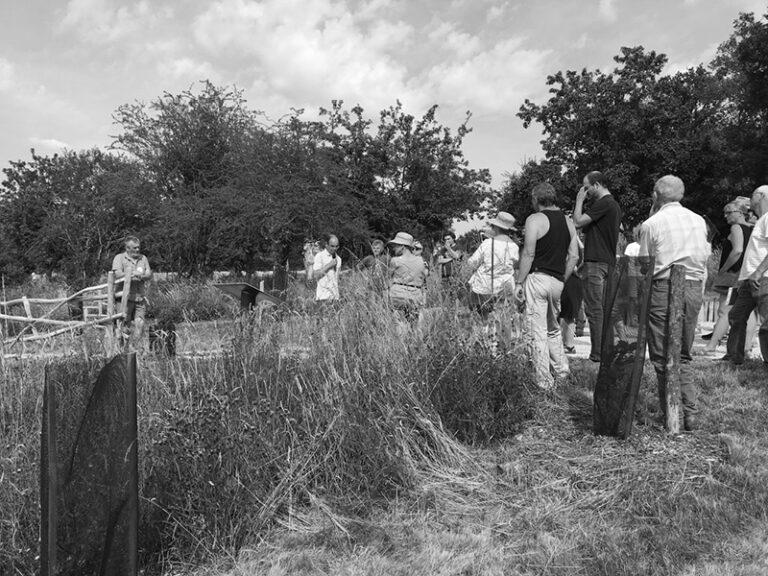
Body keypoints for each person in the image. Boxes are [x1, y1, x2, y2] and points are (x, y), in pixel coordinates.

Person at [638, 175, 711, 431]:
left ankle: (672, 413)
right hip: (691, 285)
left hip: (663, 285)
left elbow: (644, 263)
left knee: (661, 354)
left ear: (656, 195)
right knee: (682, 354)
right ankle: (690, 413)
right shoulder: (698, 220)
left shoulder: (652, 223)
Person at [516, 183, 579, 389]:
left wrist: (519, 281)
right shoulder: (568, 221)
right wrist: (562, 278)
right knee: (553, 329)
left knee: (537, 331)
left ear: (536, 200)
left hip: (538, 277)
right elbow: (574, 256)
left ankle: (543, 381)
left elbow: (528, 253)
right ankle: (562, 371)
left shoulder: (534, 219)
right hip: (557, 280)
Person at [573, 171, 622, 362]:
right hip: (606, 261)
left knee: (594, 310)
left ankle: (598, 354)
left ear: (597, 184)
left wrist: (579, 201)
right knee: (604, 308)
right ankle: (605, 350)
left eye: (586, 187)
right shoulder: (614, 205)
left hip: (596, 262)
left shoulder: (604, 203)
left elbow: (577, 222)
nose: (585, 191)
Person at [723, 185, 768, 365]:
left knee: (766, 322)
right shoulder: (761, 220)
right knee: (736, 315)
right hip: (749, 279)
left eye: (753, 195)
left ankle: (766, 364)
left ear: (762, 196)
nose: (750, 199)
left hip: (762, 278)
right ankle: (735, 358)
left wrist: (758, 271)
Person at [704, 197, 755, 352]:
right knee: (749, 311)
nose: (725, 216)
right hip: (746, 273)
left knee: (724, 310)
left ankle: (712, 345)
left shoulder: (736, 228)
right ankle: (746, 346)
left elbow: (737, 250)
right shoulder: (753, 228)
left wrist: (723, 269)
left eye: (728, 212)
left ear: (740, 213)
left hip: (732, 275)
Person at [466, 212, 519, 319]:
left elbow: (472, 263)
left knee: (483, 318)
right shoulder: (514, 246)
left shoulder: (488, 243)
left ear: (496, 227)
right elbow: (515, 265)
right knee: (502, 317)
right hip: (505, 286)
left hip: (485, 286)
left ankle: (485, 331)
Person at [112, 236, 153, 345]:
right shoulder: (119, 258)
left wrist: (141, 276)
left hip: (140, 298)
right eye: (134, 248)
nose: (137, 250)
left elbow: (149, 274)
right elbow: (118, 274)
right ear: (127, 248)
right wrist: (132, 273)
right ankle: (122, 350)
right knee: (125, 326)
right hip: (124, 299)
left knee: (140, 324)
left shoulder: (143, 258)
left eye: (138, 247)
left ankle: (134, 349)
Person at [387, 232, 429, 321]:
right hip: (415, 296)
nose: (394, 248)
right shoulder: (421, 261)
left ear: (403, 246)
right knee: (413, 324)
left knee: (399, 324)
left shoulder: (395, 260)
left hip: (397, 296)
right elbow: (424, 278)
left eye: (396, 245)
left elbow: (388, 278)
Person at [312, 234, 341, 302]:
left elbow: (337, 279)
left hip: (335, 298)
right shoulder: (320, 256)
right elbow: (316, 275)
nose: (334, 248)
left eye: (336, 246)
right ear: (326, 244)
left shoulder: (339, 259)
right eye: (332, 246)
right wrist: (329, 265)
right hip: (323, 297)